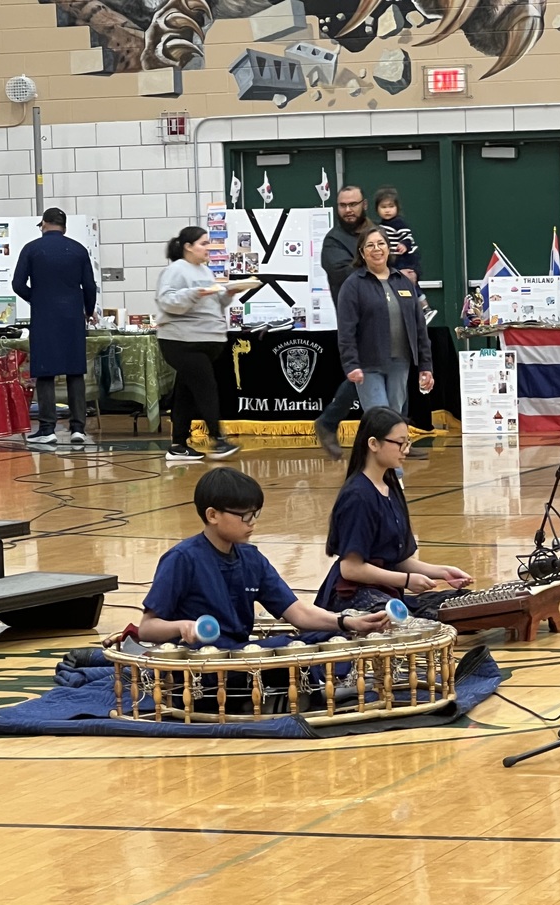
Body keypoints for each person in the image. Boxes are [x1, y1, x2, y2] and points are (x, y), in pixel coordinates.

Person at [140, 466, 388, 661]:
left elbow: (298, 613)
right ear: (213, 515)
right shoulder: (182, 559)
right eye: (244, 516)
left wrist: (346, 622)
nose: (252, 522)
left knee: (330, 637)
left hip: (241, 652)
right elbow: (147, 628)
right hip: (203, 659)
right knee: (285, 648)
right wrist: (183, 626)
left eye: (255, 514)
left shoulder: (252, 558)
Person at [315, 407, 473, 615]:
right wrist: (406, 581)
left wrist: (443, 572)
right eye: (400, 443)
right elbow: (351, 569)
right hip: (355, 598)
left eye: (407, 443)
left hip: (386, 592)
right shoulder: (358, 496)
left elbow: (395, 559)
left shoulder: (390, 487)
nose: (406, 450)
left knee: (464, 603)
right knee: (410, 621)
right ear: (373, 444)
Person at [11, 207, 96, 444]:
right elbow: (89, 286)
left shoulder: (31, 249)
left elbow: (17, 284)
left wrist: (35, 297)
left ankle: (47, 429)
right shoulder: (78, 250)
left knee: (45, 371)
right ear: (64, 227)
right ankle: (78, 428)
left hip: (44, 317)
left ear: (44, 224)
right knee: (74, 370)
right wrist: (88, 311)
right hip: (72, 317)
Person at [155, 226, 240, 462]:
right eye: (203, 243)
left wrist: (229, 294)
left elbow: (211, 305)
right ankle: (218, 439)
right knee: (206, 386)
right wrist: (195, 293)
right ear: (188, 247)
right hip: (181, 341)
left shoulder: (205, 270)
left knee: (186, 392)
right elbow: (167, 301)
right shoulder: (175, 270)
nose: (208, 248)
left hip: (205, 340)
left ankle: (178, 445)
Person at [337, 226, 433, 417]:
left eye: (381, 243)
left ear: (388, 249)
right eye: (370, 245)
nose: (376, 249)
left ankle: (390, 447)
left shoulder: (403, 281)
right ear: (362, 253)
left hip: (400, 363)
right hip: (368, 365)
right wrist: (351, 364)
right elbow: (346, 331)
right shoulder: (353, 285)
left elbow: (419, 327)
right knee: (380, 418)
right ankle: (373, 447)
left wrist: (426, 366)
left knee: (395, 417)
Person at [314, 184, 374, 460]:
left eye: (353, 204)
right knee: (363, 371)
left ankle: (396, 436)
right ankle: (328, 421)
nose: (348, 210)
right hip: (355, 318)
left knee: (393, 368)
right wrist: (376, 263)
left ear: (364, 204)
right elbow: (342, 274)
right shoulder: (333, 240)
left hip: (386, 312)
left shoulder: (375, 231)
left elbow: (393, 261)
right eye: (343, 205)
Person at [374, 186, 436, 325]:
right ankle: (415, 312)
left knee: (409, 282)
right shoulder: (381, 226)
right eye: (383, 207)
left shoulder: (398, 223)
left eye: (391, 206)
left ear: (397, 207)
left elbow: (408, 237)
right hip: (394, 261)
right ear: (377, 209)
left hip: (406, 259)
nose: (387, 210)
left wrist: (404, 245)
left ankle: (424, 308)